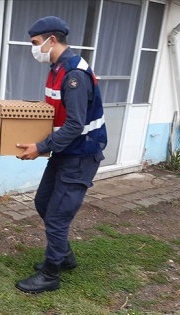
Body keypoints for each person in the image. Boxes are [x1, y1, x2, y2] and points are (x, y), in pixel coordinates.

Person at [14, 16, 108, 294]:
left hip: (81, 155)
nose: (34, 49)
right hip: (65, 151)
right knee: (43, 202)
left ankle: (51, 274)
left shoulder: (74, 75)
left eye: (35, 43)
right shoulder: (57, 67)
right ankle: (64, 255)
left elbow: (75, 124)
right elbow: (55, 114)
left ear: (51, 40)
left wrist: (41, 146)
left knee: (57, 216)